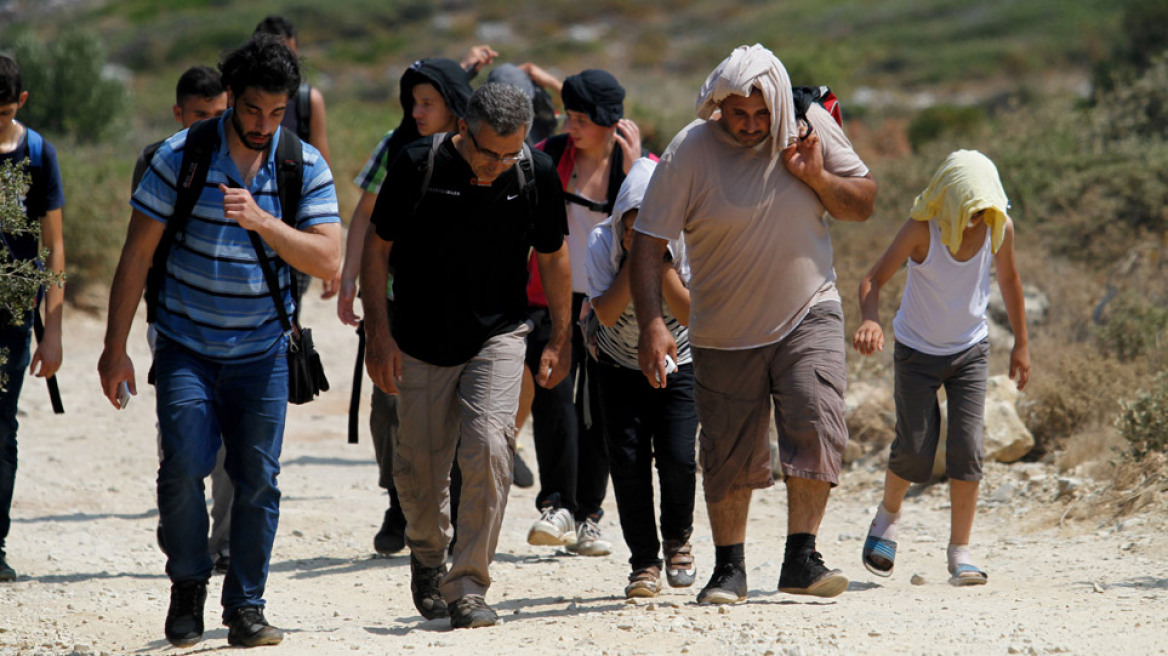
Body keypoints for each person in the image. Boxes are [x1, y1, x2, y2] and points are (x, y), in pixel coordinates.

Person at [98, 36, 341, 647]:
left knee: (258, 479)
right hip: (185, 345)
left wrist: (262, 220)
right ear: (232, 97)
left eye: (278, 112)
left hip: (264, 352)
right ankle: (188, 585)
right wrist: (114, 347)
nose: (264, 125)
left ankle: (247, 608)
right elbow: (136, 255)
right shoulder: (181, 156)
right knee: (183, 468)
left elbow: (328, 258)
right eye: (253, 109)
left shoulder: (303, 165)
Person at [630, 44, 877, 605]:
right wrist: (652, 324)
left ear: (781, 104)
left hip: (808, 309)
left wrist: (817, 176)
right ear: (717, 104)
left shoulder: (809, 127)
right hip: (724, 328)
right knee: (728, 452)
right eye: (737, 113)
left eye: (763, 114)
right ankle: (729, 569)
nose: (750, 125)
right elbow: (647, 243)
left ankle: (801, 557)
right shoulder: (691, 150)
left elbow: (862, 203)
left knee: (817, 419)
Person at [361, 82, 570, 629]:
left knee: (490, 446)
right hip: (419, 338)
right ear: (462, 129)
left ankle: (469, 584)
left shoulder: (534, 173)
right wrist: (378, 334)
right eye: (488, 153)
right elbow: (376, 248)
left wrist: (560, 336)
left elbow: (553, 256)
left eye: (510, 153)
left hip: (498, 334)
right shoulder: (417, 165)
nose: (498, 165)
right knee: (420, 469)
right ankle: (429, 555)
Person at [327, 53, 490, 557]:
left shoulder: (479, 147)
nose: (417, 112)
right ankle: (399, 503)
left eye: (427, 103)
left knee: (459, 409)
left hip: (463, 303)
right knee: (388, 405)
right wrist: (350, 278)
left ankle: (452, 511)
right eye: (412, 102)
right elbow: (365, 215)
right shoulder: (395, 145)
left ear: (453, 106)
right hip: (395, 298)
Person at [853, 149, 1030, 587]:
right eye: (968, 212)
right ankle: (887, 518)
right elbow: (872, 279)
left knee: (967, 449)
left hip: (970, 351)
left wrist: (1022, 344)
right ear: (948, 202)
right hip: (916, 351)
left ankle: (960, 554)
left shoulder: (999, 227)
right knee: (915, 449)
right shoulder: (921, 230)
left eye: (982, 212)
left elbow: (1009, 280)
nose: (975, 221)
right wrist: (870, 320)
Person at [523, 67, 650, 557]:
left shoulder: (639, 166)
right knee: (552, 397)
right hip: (550, 298)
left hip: (606, 301)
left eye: (581, 119)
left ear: (610, 121)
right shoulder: (549, 155)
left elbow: (653, 229)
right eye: (568, 116)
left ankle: (588, 516)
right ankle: (556, 504)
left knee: (598, 407)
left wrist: (636, 172)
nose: (570, 126)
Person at [132, 66, 233, 575]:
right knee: (182, 426)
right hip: (173, 318)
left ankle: (225, 539)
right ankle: (179, 514)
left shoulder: (245, 158)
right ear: (178, 113)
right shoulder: (158, 159)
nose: (211, 124)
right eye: (199, 115)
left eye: (219, 114)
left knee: (233, 432)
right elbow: (141, 247)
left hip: (235, 319)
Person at [585, 157, 698, 598]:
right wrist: (637, 260)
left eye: (652, 227)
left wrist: (660, 262)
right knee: (628, 463)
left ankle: (678, 541)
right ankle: (644, 563)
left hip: (679, 363)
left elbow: (688, 314)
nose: (639, 235)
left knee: (678, 457)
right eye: (632, 228)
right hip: (618, 366)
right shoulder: (602, 242)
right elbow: (607, 313)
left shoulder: (687, 242)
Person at [0, 53, 66, 584]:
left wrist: (55, 331)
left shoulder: (39, 154)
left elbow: (55, 245)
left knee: (1, 429)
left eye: (3, 113)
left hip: (12, 317)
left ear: (20, 102)